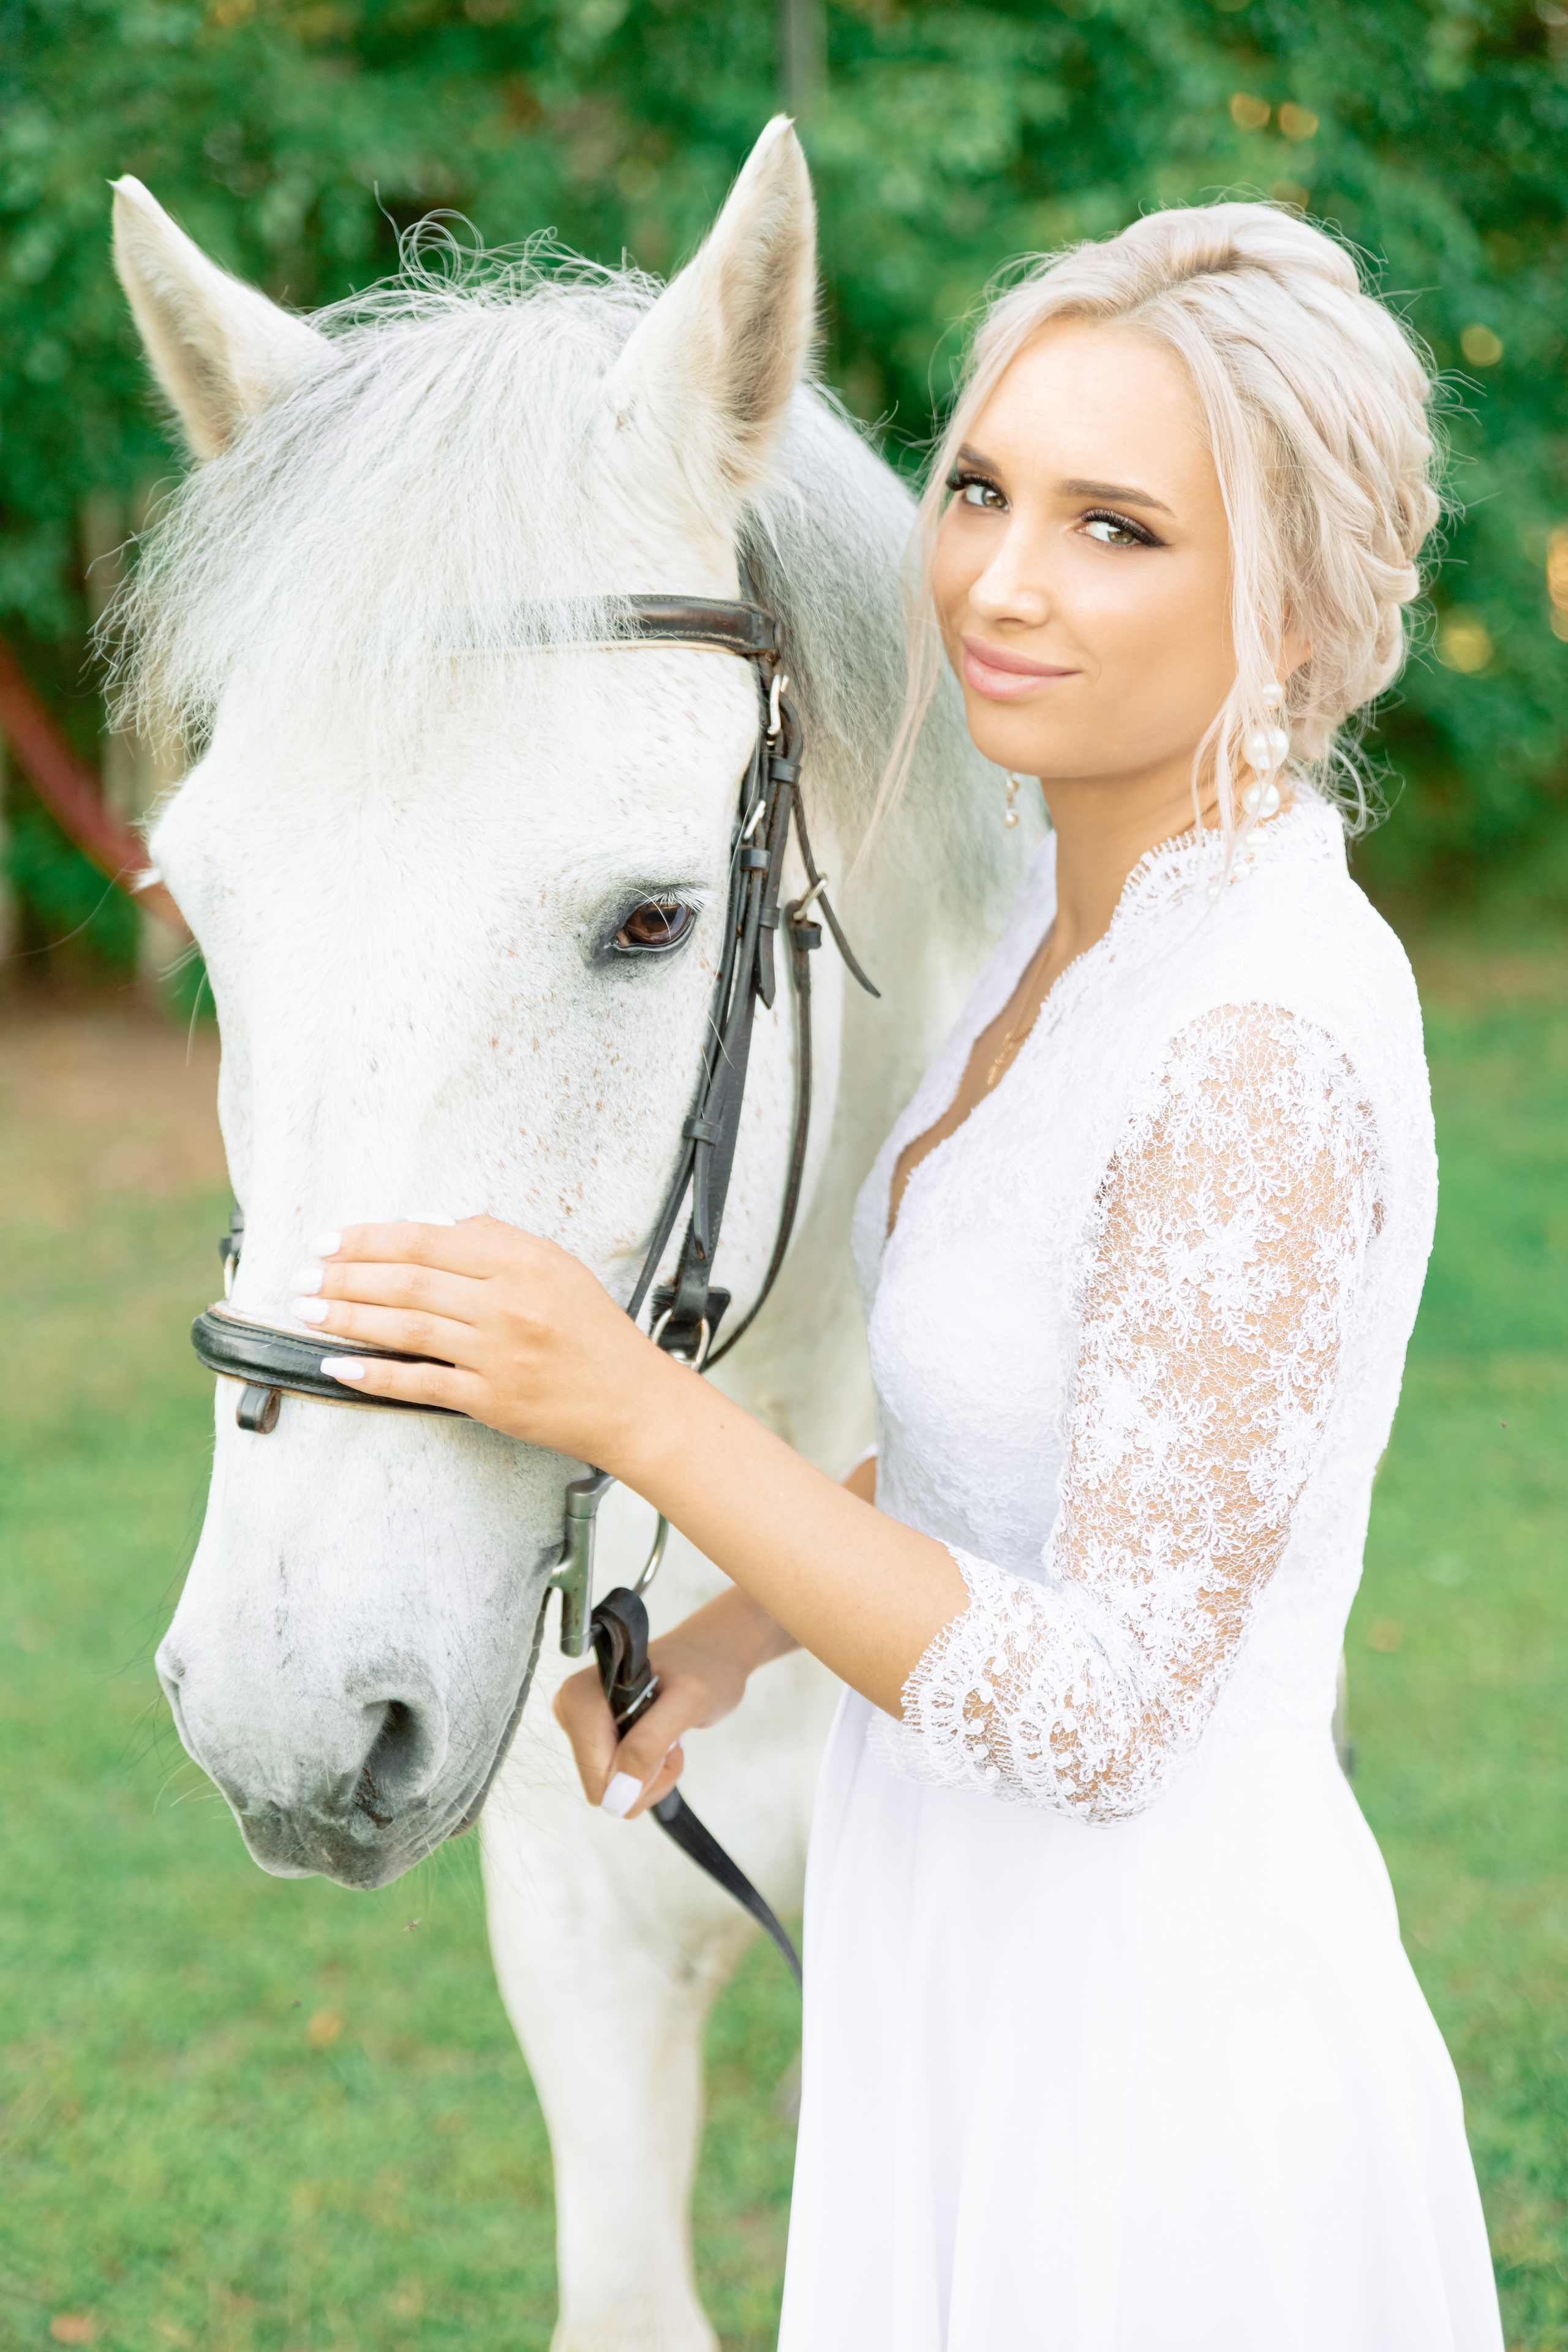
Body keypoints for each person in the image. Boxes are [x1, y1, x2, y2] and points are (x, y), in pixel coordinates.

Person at [292, 204, 1503, 2348]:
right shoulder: (1063, 923)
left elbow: (1114, 1708)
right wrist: (737, 1636)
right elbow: (1001, 1471)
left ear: (1299, 607)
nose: (1002, 583)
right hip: (958, 1972)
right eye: (980, 489)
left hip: (1148, 2052)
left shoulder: (1262, 1033)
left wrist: (635, 1413)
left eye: (1117, 526)